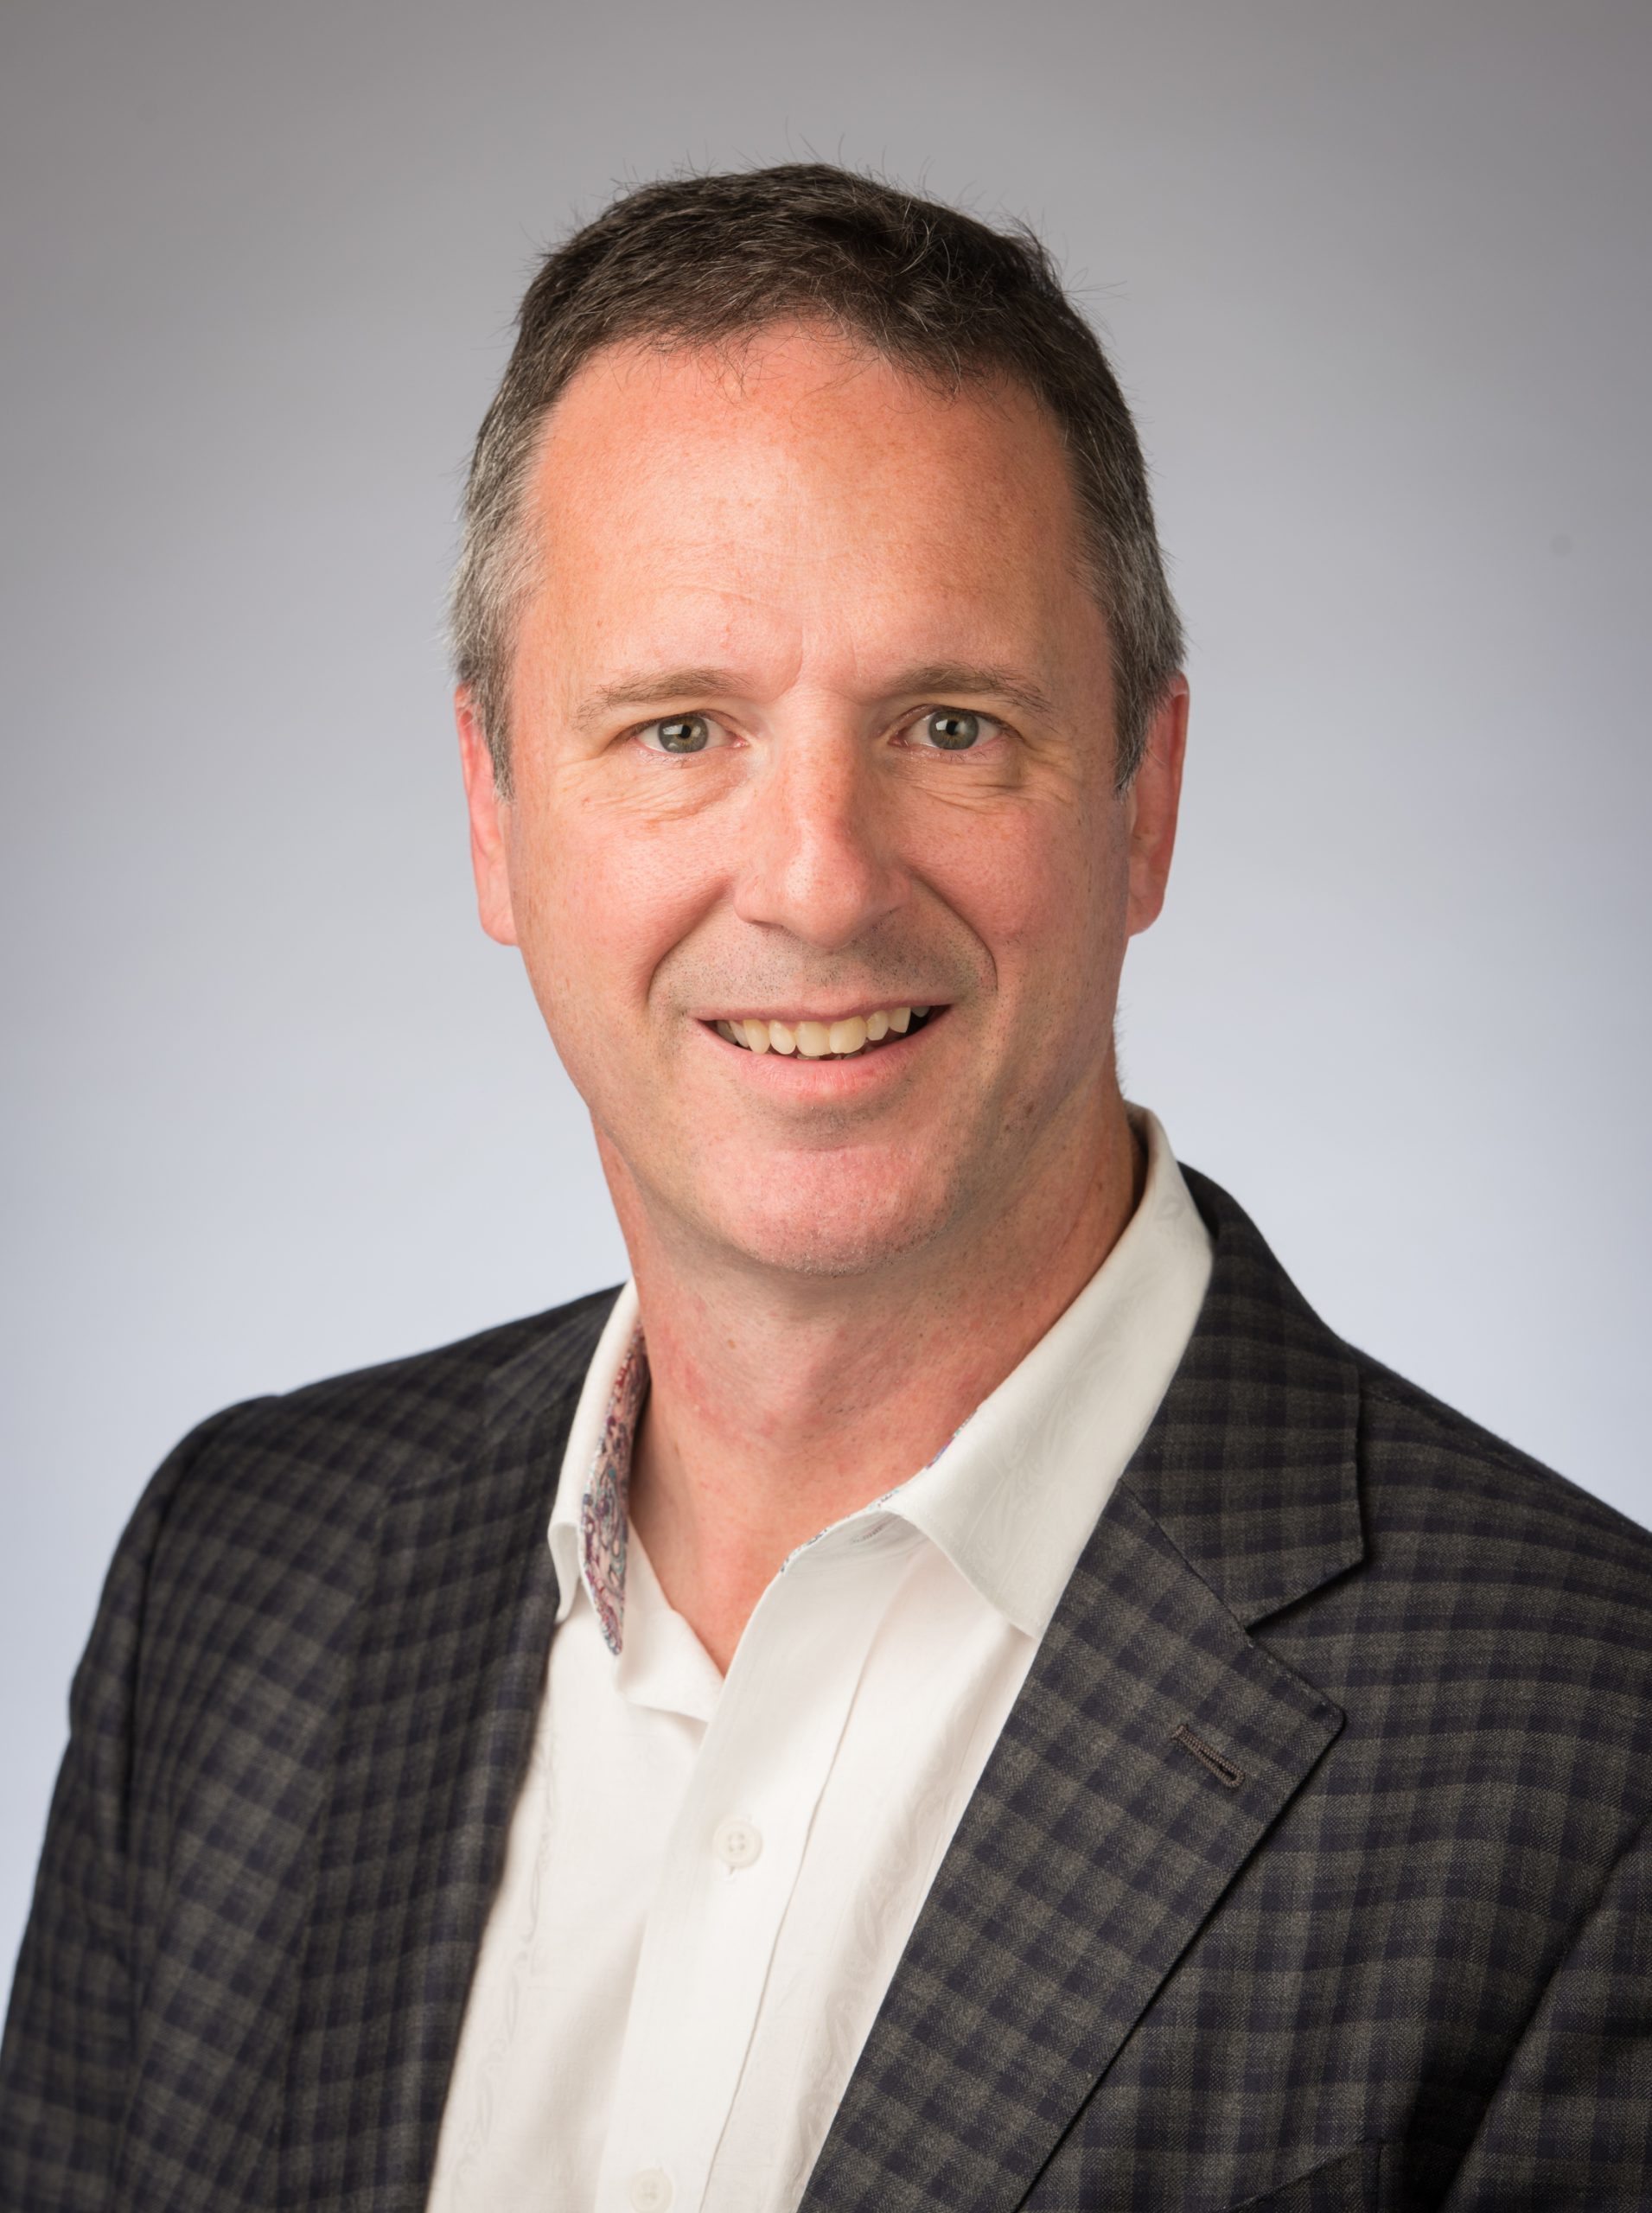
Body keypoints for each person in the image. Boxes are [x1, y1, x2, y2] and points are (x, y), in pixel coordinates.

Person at [3, 163, 1649, 2213]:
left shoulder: (1592, 1756)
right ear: (493, 811)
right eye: (677, 728)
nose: (814, 878)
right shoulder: (236, 1583)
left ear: (1142, 798)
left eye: (948, 725)